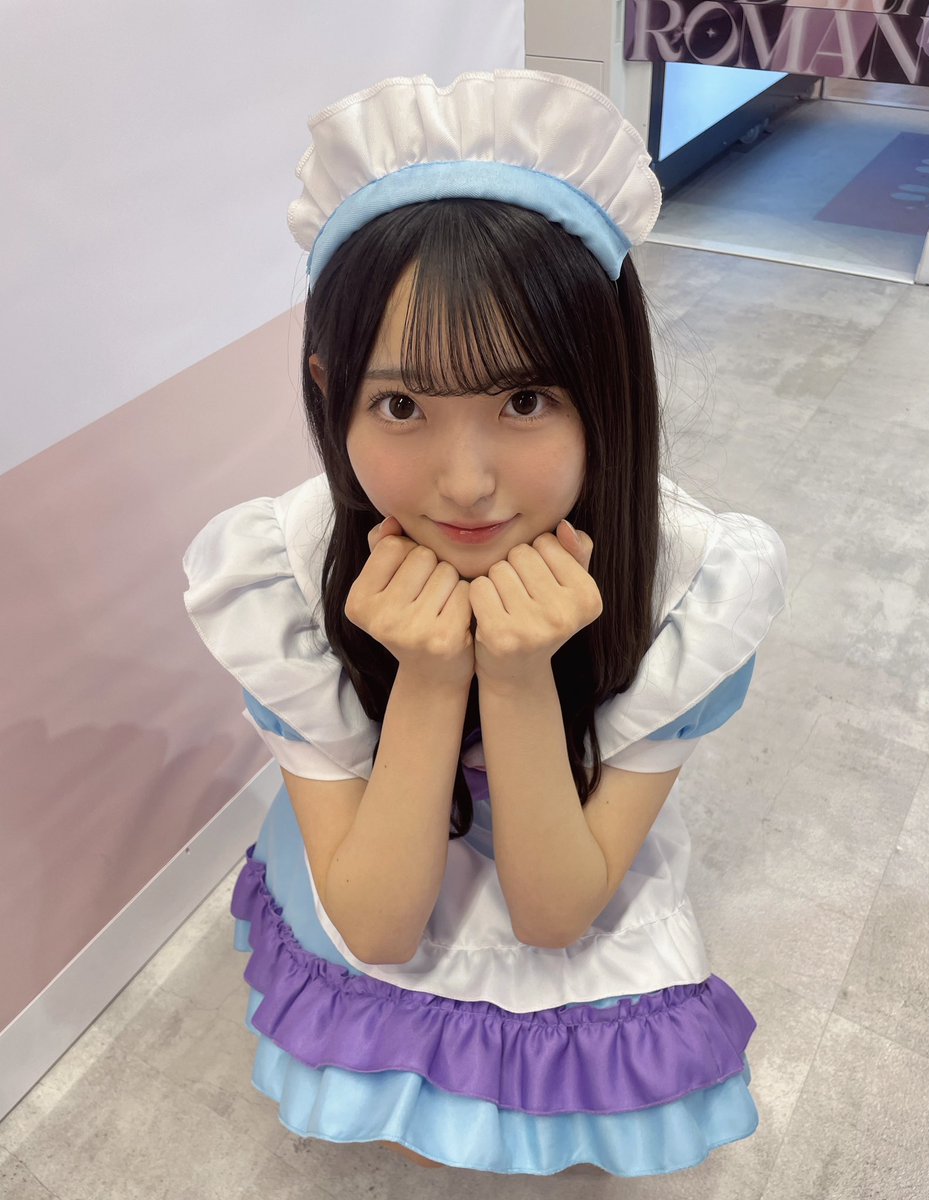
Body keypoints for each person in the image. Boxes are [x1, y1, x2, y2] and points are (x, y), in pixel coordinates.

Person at [182, 69, 788, 1177]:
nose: (465, 483)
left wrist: (514, 676)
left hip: (567, 841)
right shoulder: (280, 571)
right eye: (400, 405)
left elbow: (556, 917)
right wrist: (425, 677)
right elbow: (377, 930)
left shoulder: (689, 581)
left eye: (523, 400)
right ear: (328, 387)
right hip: (385, 839)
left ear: (609, 385)